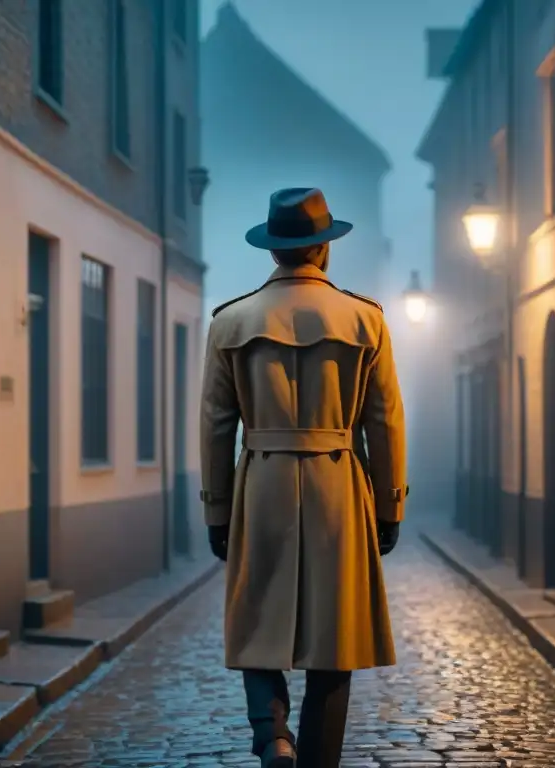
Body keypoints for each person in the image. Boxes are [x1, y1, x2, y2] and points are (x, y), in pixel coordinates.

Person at [199, 187, 408, 767]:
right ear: (323, 249)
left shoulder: (230, 322)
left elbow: (217, 425)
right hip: (338, 487)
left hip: (261, 484)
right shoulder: (366, 320)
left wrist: (217, 509)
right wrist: (390, 506)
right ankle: (318, 760)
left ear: (274, 252)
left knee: (255, 618)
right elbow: (384, 421)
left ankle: (273, 739)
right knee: (333, 634)